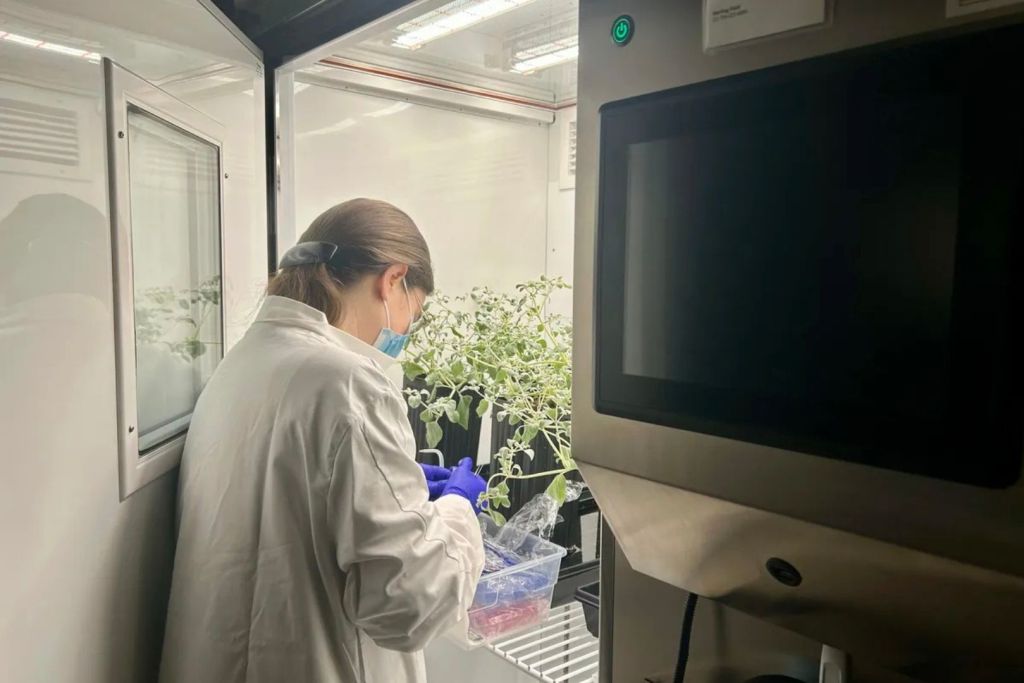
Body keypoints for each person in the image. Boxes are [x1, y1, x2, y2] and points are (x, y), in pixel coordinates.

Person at [159, 198, 487, 683]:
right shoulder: (351, 383)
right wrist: (459, 510)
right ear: (392, 280)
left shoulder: (244, 362)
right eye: (411, 314)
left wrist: (401, 488)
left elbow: (285, 496)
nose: (402, 333)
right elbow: (408, 605)